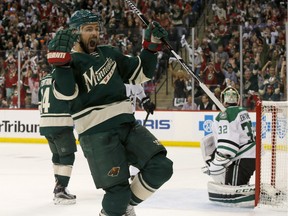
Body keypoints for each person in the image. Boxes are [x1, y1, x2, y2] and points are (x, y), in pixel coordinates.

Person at [47, 10, 173, 216]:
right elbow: (65, 94)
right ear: (74, 32)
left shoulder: (109, 53)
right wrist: (60, 66)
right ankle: (117, 207)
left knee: (162, 166)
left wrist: (150, 47)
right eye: (88, 29)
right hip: (97, 135)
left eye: (96, 29)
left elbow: (140, 73)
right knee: (117, 193)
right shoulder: (70, 62)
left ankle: (121, 206)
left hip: (128, 125)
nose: (94, 33)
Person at [201, 86, 256, 207]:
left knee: (232, 190)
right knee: (241, 183)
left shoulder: (224, 115)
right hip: (251, 155)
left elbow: (228, 147)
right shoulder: (242, 111)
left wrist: (215, 164)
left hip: (242, 159)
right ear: (238, 100)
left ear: (222, 100)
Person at [38, 69, 77, 205]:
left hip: (45, 123)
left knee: (57, 156)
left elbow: (39, 103)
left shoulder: (44, 79)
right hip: (60, 122)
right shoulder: (63, 77)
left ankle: (59, 184)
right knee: (68, 156)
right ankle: (60, 190)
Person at [125, 83, 156, 180]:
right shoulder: (116, 77)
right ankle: (116, 178)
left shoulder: (131, 77)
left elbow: (138, 89)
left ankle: (134, 174)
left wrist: (145, 101)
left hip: (130, 117)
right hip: (116, 118)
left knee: (136, 146)